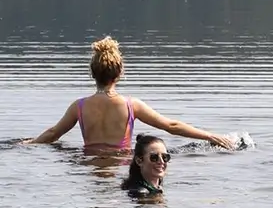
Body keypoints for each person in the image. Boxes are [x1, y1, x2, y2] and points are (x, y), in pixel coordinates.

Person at [26, 36, 237, 151]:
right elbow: (171, 126)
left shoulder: (78, 107)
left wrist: (29, 143)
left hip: (88, 165)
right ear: (119, 73)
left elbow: (53, 134)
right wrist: (210, 135)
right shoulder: (131, 105)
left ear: (92, 73)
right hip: (122, 164)